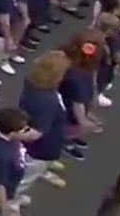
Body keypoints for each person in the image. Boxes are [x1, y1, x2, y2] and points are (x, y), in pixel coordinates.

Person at [17, 51, 71, 193]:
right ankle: (11, 204)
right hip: (41, 149)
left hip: (38, 141)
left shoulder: (32, 82)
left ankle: (44, 170)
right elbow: (37, 133)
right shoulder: (47, 101)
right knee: (25, 179)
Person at [0, 108, 34, 216]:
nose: (29, 131)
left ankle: (15, 201)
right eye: (24, 130)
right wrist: (5, 209)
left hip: (11, 181)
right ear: (12, 133)